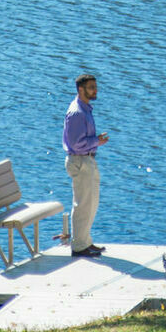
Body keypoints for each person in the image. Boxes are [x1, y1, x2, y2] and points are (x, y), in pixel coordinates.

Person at [62, 72, 108, 257]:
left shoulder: (86, 108)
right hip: (80, 161)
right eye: (91, 88)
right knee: (82, 204)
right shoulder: (76, 112)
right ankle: (79, 246)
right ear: (80, 89)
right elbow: (75, 144)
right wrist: (96, 141)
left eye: (95, 87)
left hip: (87, 160)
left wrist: (96, 142)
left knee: (91, 203)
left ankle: (85, 241)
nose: (95, 91)